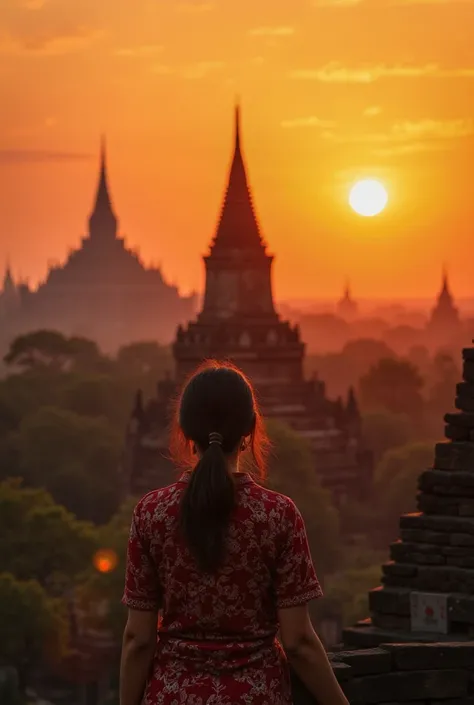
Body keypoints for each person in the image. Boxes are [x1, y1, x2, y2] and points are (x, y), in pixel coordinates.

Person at [120, 361, 349, 705]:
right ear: (251, 429)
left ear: (185, 433)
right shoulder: (277, 514)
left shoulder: (152, 513)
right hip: (256, 696)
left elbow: (138, 639)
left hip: (172, 695)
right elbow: (299, 642)